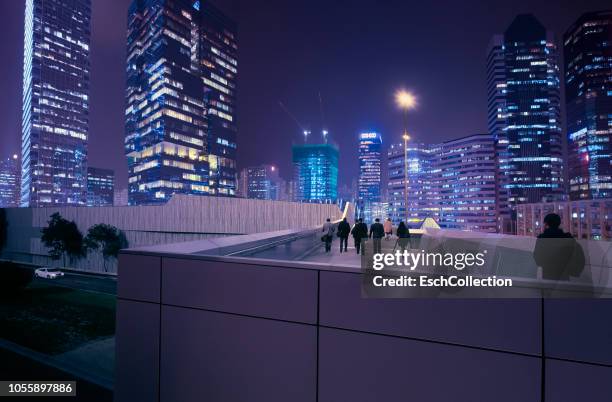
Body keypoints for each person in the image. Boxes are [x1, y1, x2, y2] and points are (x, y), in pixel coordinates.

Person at [533, 213, 585, 281]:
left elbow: (537, 258)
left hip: (548, 276)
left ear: (546, 225)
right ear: (559, 224)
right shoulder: (568, 239)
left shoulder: (542, 239)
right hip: (564, 276)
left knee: (548, 289)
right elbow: (579, 257)